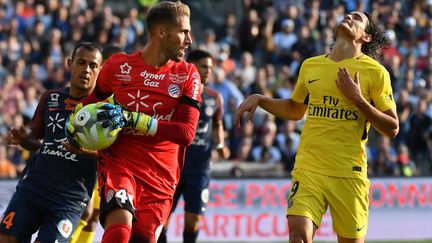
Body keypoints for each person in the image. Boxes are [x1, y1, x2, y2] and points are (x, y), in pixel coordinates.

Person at [234, 11, 399, 243]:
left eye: (357, 18)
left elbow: (392, 127)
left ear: (367, 37)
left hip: (348, 173)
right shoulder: (311, 66)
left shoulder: (376, 73)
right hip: (309, 167)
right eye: (348, 14)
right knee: (298, 235)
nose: (349, 17)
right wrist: (261, 100)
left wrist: (358, 100)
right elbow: (295, 109)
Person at [67, 1, 201, 242]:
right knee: (119, 230)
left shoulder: (187, 74)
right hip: (120, 164)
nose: (189, 39)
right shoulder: (118, 66)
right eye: (184, 32)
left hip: (161, 177)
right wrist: (75, 123)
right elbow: (91, 102)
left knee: (143, 239)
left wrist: (135, 119)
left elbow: (186, 133)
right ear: (162, 32)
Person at [0, 42, 103, 243]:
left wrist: (86, 151)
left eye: (93, 65)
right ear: (69, 63)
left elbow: (114, 154)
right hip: (33, 188)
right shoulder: (51, 98)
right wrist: (23, 139)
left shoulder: (103, 111)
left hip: (68, 200)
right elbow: (38, 141)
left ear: (100, 70)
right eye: (81, 62)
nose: (86, 70)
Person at [157, 50, 230, 243]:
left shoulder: (215, 97)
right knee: (161, 220)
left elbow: (217, 124)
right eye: (204, 66)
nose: (208, 71)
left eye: (211, 68)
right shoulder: (176, 93)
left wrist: (221, 143)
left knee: (193, 222)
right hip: (173, 166)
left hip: (200, 168)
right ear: (192, 66)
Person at [69, 45, 124, 243]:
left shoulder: (118, 95)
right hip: (85, 162)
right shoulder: (92, 93)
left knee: (93, 217)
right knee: (85, 211)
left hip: (104, 164)